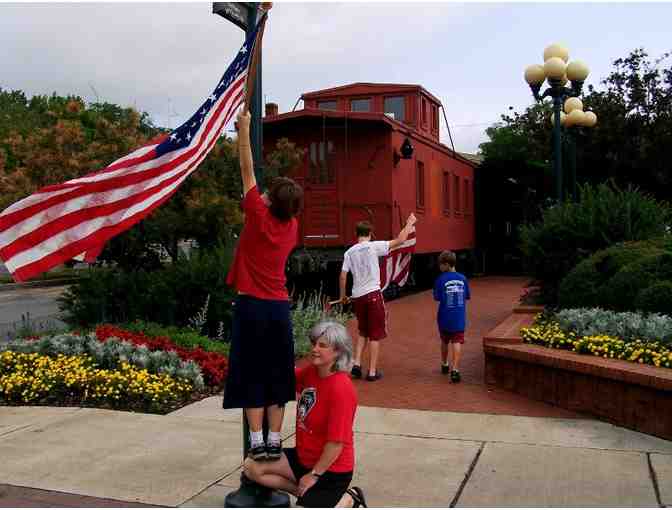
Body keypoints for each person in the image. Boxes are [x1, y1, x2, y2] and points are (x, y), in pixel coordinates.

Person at [223, 109, 304, 462]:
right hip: (278, 309)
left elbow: (247, 169)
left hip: (251, 306)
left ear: (271, 202)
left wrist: (243, 131)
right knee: (278, 377)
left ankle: (256, 441)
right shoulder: (292, 227)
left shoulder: (258, 215)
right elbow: (257, 181)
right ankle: (275, 438)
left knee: (250, 375)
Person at [243, 320, 368, 508]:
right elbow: (285, 377)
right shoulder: (313, 372)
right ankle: (309, 496)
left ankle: (345, 499)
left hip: (330, 470)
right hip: (303, 458)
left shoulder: (342, 389)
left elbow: (336, 444)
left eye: (322, 345)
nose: (315, 349)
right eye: (314, 343)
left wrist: (314, 475)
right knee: (252, 467)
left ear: (338, 352)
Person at [339, 214, 417, 382]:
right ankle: (372, 371)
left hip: (357, 296)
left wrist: (343, 295)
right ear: (370, 233)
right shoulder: (374, 246)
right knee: (375, 334)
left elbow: (343, 276)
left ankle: (357, 365)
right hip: (373, 294)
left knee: (362, 332)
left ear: (356, 234)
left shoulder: (349, 253)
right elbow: (400, 240)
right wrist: (409, 223)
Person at [433, 250, 470, 382]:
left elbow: (437, 297)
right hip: (459, 318)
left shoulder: (440, 279)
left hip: (444, 317)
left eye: (441, 264)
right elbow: (467, 296)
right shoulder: (463, 278)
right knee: (457, 341)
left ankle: (444, 364)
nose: (439, 267)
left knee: (444, 341)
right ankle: (455, 369)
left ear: (447, 264)